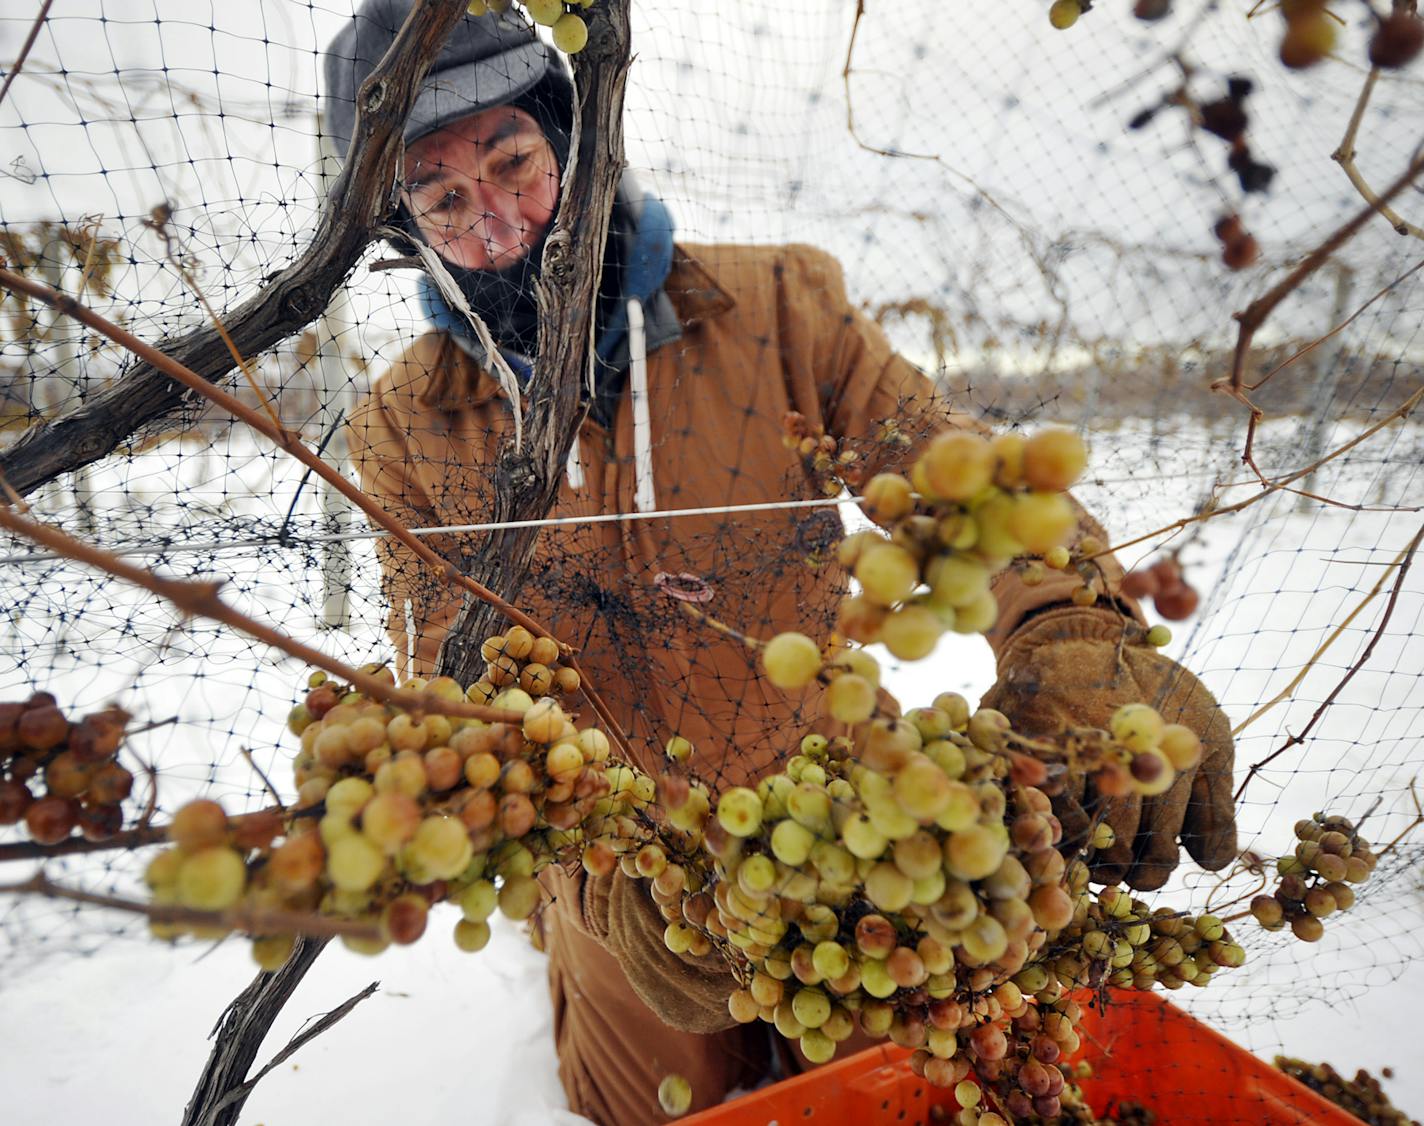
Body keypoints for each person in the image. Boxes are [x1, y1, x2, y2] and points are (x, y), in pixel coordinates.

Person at [323, 5, 1237, 1122]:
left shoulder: (775, 310)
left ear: (574, 142)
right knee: (662, 1103)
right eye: (444, 201)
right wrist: (599, 873)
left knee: (910, 1074)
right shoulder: (405, 427)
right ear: (405, 231)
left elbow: (958, 482)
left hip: (831, 813)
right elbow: (455, 685)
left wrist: (1067, 624)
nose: (502, 226)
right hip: (622, 865)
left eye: (513, 162)